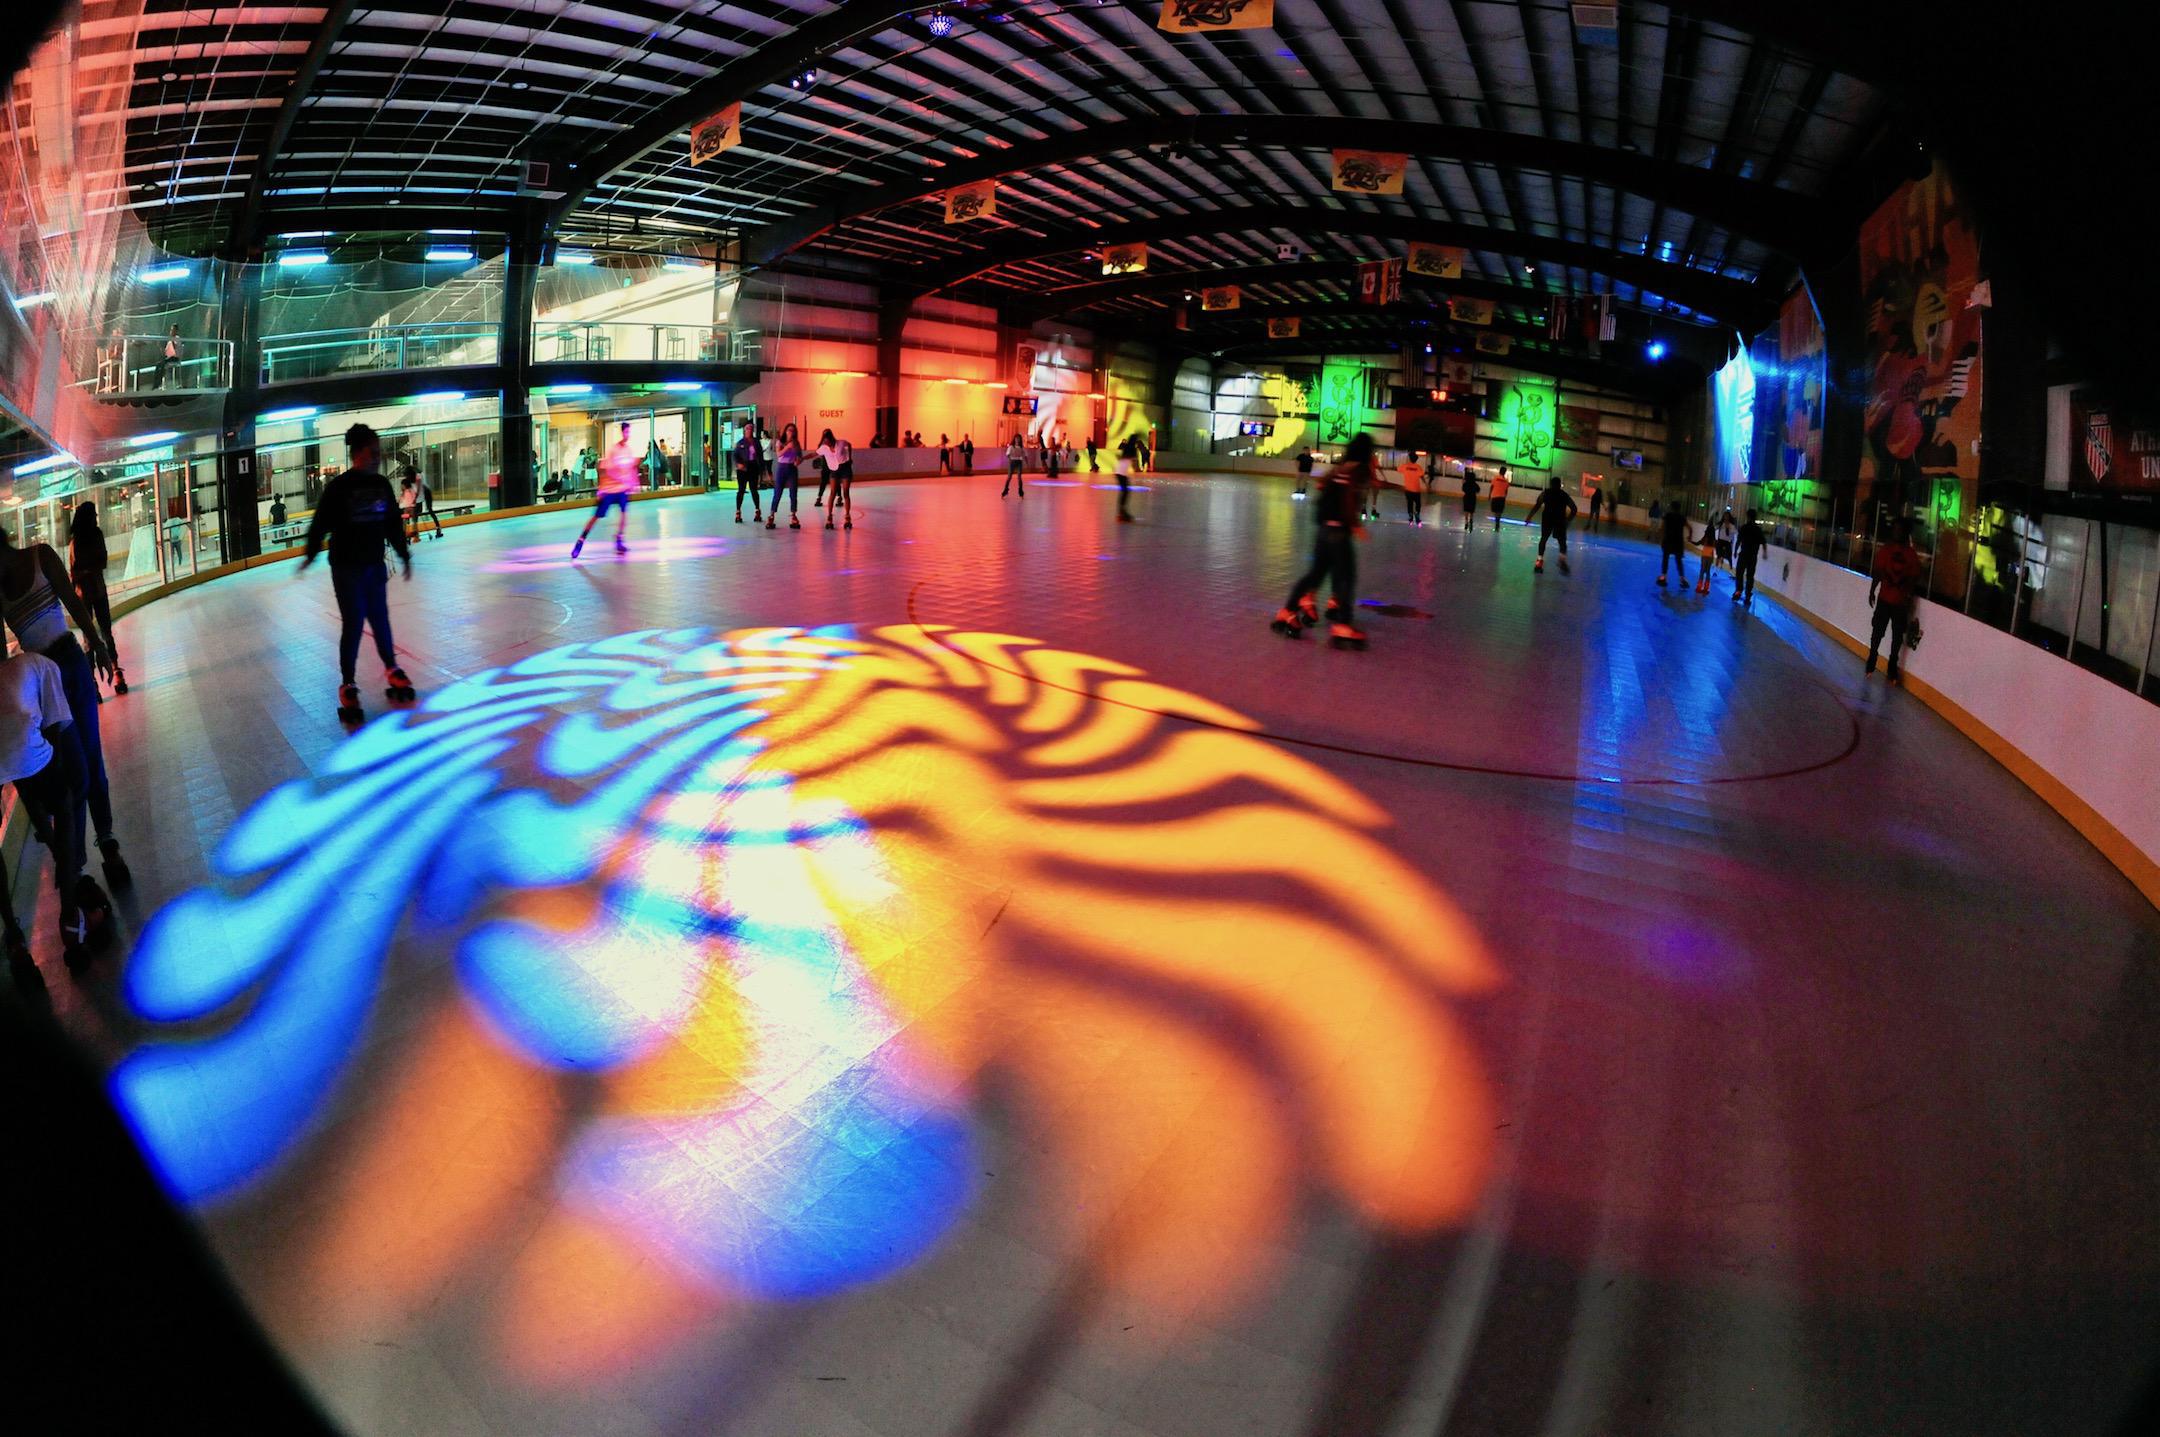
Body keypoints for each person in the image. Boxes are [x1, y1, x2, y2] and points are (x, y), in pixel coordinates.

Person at [3, 520, 130, 903]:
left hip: (69, 665)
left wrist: (99, 644)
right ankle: (77, 866)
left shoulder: (41, 557)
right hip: (39, 683)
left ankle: (106, 840)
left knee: (89, 757)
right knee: (70, 772)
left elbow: (74, 603)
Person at [301, 423, 413, 724]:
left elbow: (392, 523)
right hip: (346, 569)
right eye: (373, 452)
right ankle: (348, 683)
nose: (378, 457)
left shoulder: (381, 485)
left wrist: (404, 554)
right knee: (353, 624)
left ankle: (391, 667)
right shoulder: (339, 487)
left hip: (374, 566)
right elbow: (320, 523)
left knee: (380, 619)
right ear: (358, 454)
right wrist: (310, 554)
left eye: (379, 452)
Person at [2, 646, 99, 970]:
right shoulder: (44, 667)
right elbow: (55, 733)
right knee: (64, 802)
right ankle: (70, 919)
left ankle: (13, 936)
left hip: (13, 748)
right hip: (22, 743)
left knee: (27, 783)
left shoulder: (27, 667)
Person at [1271, 433, 1374, 648]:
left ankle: (1287, 611)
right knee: (1345, 578)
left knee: (1315, 575)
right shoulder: (1358, 471)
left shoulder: (1340, 468)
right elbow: (1349, 496)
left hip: (1324, 530)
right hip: (1339, 533)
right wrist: (1354, 524)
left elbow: (1322, 485)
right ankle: (1343, 625)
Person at [67, 504, 124, 695]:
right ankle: (114, 673)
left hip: (86, 593)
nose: (96, 518)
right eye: (94, 515)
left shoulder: (80, 540)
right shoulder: (88, 538)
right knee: (101, 634)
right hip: (95, 591)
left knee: (92, 637)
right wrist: (90, 568)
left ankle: (97, 682)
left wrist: (84, 571)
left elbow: (78, 570)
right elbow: (99, 562)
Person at [1866, 517, 1924, 682]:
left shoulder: (1910, 555)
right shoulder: (1886, 550)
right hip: (1884, 600)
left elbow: (1914, 577)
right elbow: (1878, 571)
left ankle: (1892, 668)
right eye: (1895, 529)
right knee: (1877, 632)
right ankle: (1871, 661)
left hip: (1900, 603)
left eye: (1900, 530)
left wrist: (1908, 595)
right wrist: (1872, 590)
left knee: (1897, 637)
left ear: (1905, 532)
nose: (1896, 532)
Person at [574, 420, 642, 556]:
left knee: (624, 513)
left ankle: (619, 540)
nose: (627, 435)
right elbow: (605, 470)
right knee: (596, 516)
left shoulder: (628, 451)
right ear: (622, 432)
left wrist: (634, 483)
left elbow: (631, 469)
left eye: (629, 432)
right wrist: (601, 490)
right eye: (626, 432)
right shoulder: (613, 450)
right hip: (609, 489)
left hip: (622, 489)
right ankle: (581, 540)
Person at [1523, 476, 1577, 574]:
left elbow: (1537, 505)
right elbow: (1574, 509)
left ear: (1551, 484)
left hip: (1547, 519)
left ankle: (1539, 562)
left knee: (1543, 539)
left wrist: (1529, 517)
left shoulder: (1545, 493)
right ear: (1560, 485)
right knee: (1562, 542)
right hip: (1560, 521)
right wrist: (1567, 520)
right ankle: (1562, 560)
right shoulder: (1564, 495)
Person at [816, 429, 854, 529]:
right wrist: (803, 458)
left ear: (831, 438)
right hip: (834, 470)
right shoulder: (824, 447)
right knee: (832, 492)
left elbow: (849, 445)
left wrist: (850, 457)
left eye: (827, 441)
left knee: (846, 492)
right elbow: (814, 454)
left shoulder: (840, 443)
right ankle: (829, 516)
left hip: (845, 468)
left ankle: (847, 516)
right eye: (824, 441)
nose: (826, 443)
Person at [769, 422, 803, 529]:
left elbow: (800, 456)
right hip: (782, 468)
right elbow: (778, 454)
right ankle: (772, 514)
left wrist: (798, 461)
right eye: (789, 430)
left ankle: (793, 515)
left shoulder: (796, 443)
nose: (791, 432)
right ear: (786, 431)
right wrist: (788, 447)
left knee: (793, 493)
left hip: (792, 468)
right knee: (777, 492)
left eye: (793, 431)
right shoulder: (780, 442)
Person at [1732, 507, 1767, 607]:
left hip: (1743, 554)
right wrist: (1764, 553)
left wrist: (1735, 551)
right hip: (1752, 556)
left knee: (1739, 573)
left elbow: (1739, 541)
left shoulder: (1744, 527)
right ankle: (1747, 595)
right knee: (1750, 576)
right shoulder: (1758, 529)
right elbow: (1764, 542)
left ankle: (1738, 591)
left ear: (1747, 516)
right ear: (1755, 517)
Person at [732, 421, 764, 525]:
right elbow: (735, 455)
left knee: (754, 490)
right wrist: (738, 464)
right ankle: (738, 511)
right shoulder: (740, 443)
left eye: (751, 428)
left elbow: (760, 456)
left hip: (753, 467)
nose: (749, 430)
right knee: (741, 490)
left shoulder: (756, 442)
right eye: (747, 428)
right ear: (744, 430)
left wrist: (762, 470)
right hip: (743, 469)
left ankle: (757, 510)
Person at [1656, 502, 1689, 586]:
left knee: (1665, 558)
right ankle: (1682, 578)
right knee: (1679, 560)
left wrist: (1661, 538)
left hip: (1668, 541)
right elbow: (1690, 528)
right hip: (1678, 542)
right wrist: (1690, 537)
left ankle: (1663, 577)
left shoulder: (1668, 516)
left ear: (1672, 507)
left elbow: (1662, 527)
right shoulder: (1682, 517)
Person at [1114, 433, 1138, 521]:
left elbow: (1123, 457)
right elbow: (1134, 462)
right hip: (1121, 473)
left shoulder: (1127, 447)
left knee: (1125, 491)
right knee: (1125, 491)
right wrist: (1135, 466)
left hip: (1119, 471)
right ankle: (1122, 512)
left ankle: (1122, 511)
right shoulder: (1133, 449)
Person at [1399, 453, 1423, 526]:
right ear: (1416, 460)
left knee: (1410, 504)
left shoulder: (1405, 466)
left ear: (1410, 459)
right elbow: (1421, 476)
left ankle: (1410, 517)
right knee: (1418, 504)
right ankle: (1417, 515)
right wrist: (1426, 484)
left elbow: (1398, 469)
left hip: (1408, 489)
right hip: (1416, 490)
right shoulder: (1418, 467)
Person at [1487, 463, 1510, 528]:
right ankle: (1498, 521)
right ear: (1505, 472)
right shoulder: (1506, 481)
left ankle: (1497, 520)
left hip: (1495, 496)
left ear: (1500, 471)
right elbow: (1506, 490)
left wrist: (1489, 495)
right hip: (1502, 498)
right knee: (1499, 511)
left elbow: (1492, 487)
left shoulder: (1495, 478)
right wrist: (1505, 496)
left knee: (1495, 510)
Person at [159, 324, 182, 389]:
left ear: (176, 331)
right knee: (159, 364)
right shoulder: (170, 340)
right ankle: (159, 383)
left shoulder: (177, 338)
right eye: (171, 330)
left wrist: (172, 340)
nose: (171, 331)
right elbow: (166, 352)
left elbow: (175, 348)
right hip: (169, 358)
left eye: (173, 330)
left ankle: (163, 384)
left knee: (163, 364)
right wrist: (160, 347)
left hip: (175, 358)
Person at [1459, 464, 1480, 529]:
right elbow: (1478, 490)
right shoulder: (1475, 484)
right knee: (1471, 510)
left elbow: (1463, 489)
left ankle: (1466, 522)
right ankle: (1471, 519)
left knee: (1466, 510)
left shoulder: (1466, 484)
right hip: (1473, 498)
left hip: (1466, 497)